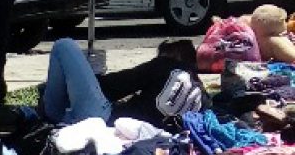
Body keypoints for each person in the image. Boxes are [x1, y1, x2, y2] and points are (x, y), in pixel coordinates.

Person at [39, 38, 209, 127]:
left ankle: (49, 110)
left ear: (173, 55)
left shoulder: (165, 66)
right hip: (143, 137)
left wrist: (93, 75)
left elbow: (112, 86)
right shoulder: (204, 98)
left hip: (106, 121)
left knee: (64, 46)